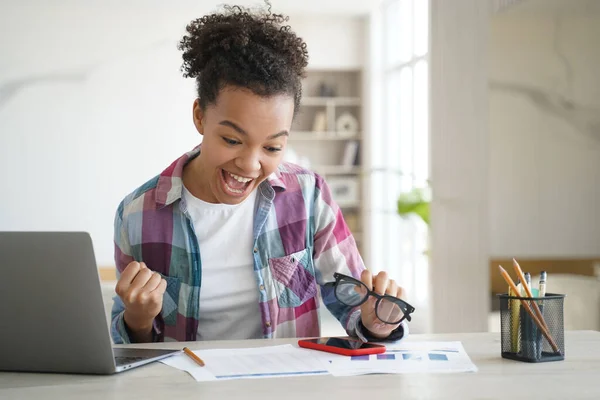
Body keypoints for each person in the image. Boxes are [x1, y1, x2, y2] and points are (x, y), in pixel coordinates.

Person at [110, 2, 410, 344]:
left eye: (271, 148)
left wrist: (377, 321)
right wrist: (137, 321)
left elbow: (356, 306)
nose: (251, 165)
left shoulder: (308, 196)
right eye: (232, 139)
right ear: (199, 117)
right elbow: (127, 350)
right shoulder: (139, 214)